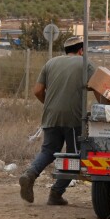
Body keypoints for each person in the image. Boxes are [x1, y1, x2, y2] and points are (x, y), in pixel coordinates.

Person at [19, 36, 95, 206]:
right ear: (81, 50)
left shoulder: (51, 63)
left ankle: (30, 174)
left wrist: (51, 105)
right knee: (76, 156)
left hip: (51, 115)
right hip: (74, 118)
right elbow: (98, 86)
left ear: (65, 50)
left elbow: (38, 90)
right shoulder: (85, 63)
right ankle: (56, 193)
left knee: (48, 150)